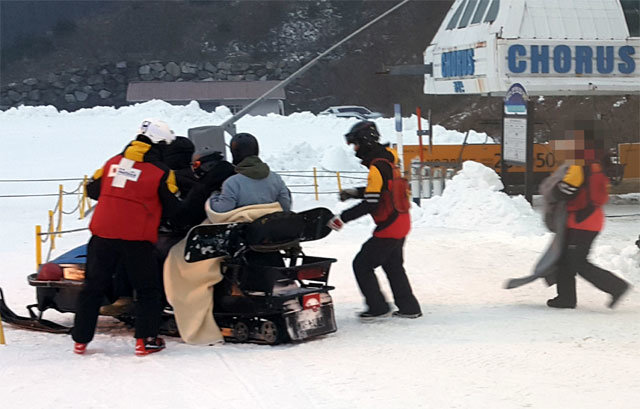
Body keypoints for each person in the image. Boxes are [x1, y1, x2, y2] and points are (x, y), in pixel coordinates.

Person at [73, 118, 182, 356]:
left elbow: (92, 189)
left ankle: (80, 340)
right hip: (136, 238)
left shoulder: (112, 162)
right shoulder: (162, 172)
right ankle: (145, 340)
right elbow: (173, 207)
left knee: (93, 286)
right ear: (159, 143)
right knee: (146, 289)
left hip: (102, 234)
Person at [327, 121, 421, 321]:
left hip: (389, 225)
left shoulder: (377, 166)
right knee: (393, 265)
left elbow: (372, 202)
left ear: (365, 142)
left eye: (356, 144)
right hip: (401, 220)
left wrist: (341, 218)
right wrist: (354, 193)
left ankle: (377, 307)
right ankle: (409, 307)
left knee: (362, 264)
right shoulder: (387, 162)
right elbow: (380, 191)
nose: (355, 149)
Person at [545, 151, 630, 309]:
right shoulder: (598, 165)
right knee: (564, 258)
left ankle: (616, 286)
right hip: (587, 220)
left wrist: (553, 189)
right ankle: (565, 298)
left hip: (582, 222)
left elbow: (565, 190)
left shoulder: (580, 166)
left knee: (577, 262)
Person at [208, 132, 291, 213]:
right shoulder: (276, 178)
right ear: (256, 150)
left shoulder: (231, 183)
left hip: (243, 226)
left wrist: (214, 196)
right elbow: (285, 206)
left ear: (234, 153)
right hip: (271, 225)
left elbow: (222, 209)